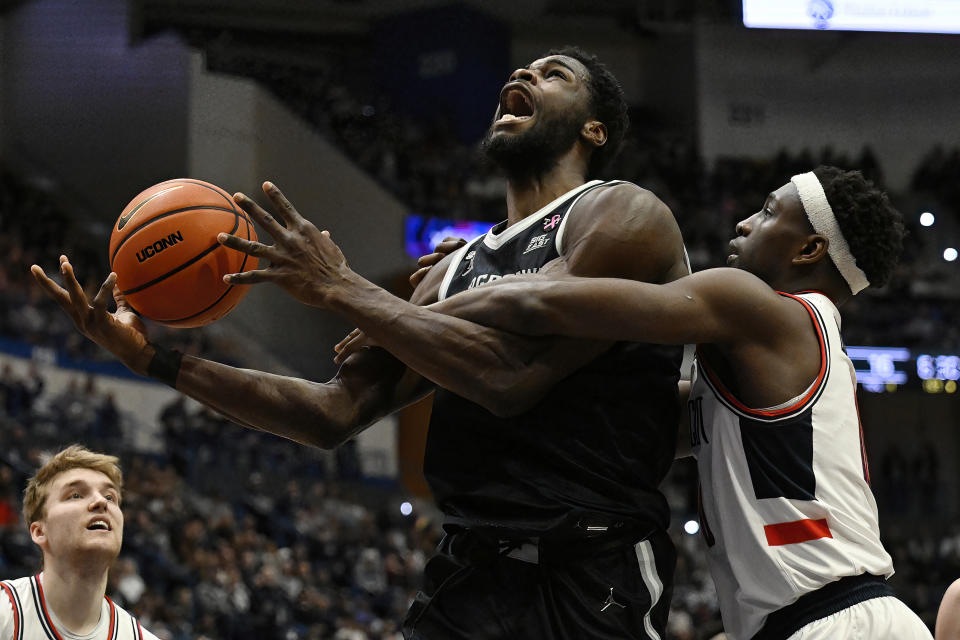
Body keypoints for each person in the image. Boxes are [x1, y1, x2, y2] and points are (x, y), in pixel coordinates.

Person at [32, 46, 690, 639]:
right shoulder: (451, 271)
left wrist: (345, 288)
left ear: (593, 129)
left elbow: (511, 379)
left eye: (555, 74)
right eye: (524, 69)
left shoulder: (623, 213)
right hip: (469, 571)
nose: (523, 74)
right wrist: (151, 358)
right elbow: (330, 413)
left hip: (591, 570)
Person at [332, 166, 929, 639]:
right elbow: (615, 414)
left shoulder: (751, 302)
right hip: (809, 619)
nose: (744, 222)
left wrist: (391, 308)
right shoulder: (770, 361)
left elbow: (546, 304)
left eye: (768, 212)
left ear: (810, 249)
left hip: (838, 619)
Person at [0, 445, 160, 640]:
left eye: (110, 497)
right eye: (75, 495)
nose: (101, 502)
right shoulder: (6, 613)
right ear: (40, 531)